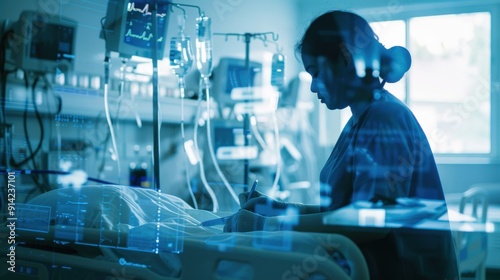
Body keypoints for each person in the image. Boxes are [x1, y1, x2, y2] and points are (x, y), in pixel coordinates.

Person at [224, 10, 459, 280]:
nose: (313, 87)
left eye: (316, 73)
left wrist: (269, 225)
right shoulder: (359, 120)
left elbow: (372, 220)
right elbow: (340, 213)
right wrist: (274, 208)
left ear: (345, 57)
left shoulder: (385, 118)